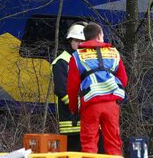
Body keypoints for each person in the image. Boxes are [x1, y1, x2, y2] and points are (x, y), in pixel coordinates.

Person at [67, 23, 128, 155]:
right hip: (111, 104)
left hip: (90, 104)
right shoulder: (113, 53)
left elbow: (72, 87)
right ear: (100, 35)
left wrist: (74, 109)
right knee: (113, 143)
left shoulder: (77, 56)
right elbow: (123, 79)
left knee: (89, 144)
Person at [52, 23, 85, 151]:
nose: (80, 44)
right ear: (70, 41)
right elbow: (62, 91)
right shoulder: (62, 61)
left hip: (86, 121)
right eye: (77, 40)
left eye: (82, 41)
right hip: (71, 122)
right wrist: (80, 107)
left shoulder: (83, 60)